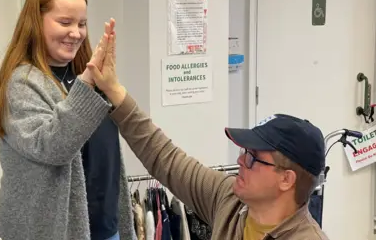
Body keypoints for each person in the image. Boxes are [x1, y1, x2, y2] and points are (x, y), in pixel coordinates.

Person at [88, 29, 330, 239]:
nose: (240, 162)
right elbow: (165, 159)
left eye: (253, 158)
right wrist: (113, 90)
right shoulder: (229, 200)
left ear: (286, 180)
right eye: (245, 152)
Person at [0, 0, 135, 240]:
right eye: (65, 22)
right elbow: (55, 147)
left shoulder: (84, 78)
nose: (76, 33)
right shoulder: (22, 83)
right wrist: (88, 82)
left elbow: (108, 157)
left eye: (82, 23)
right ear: (35, 21)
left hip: (106, 228)